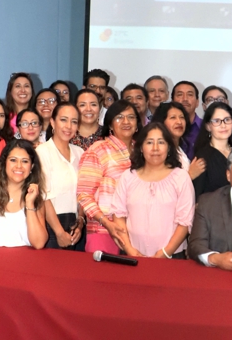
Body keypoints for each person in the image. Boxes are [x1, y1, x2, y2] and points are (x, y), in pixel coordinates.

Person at [106, 122, 195, 258]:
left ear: (169, 148)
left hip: (172, 257)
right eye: (149, 142)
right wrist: (129, 249)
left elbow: (185, 222)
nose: (155, 148)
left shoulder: (181, 177)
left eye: (161, 142)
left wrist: (166, 252)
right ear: (141, 147)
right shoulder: (127, 177)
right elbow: (118, 216)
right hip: (133, 255)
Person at [77, 99, 137, 254]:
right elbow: (84, 195)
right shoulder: (98, 150)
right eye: (119, 117)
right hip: (104, 230)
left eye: (131, 117)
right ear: (110, 124)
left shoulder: (143, 150)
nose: (126, 122)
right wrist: (106, 223)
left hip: (138, 231)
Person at [37, 102, 86, 250]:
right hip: (52, 225)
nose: (68, 126)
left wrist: (81, 221)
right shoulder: (42, 152)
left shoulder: (80, 153)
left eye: (74, 121)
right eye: (63, 120)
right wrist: (59, 232)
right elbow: (43, 196)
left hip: (76, 226)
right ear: (52, 122)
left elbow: (84, 192)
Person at [191, 100, 232, 198]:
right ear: (208, 126)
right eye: (216, 121)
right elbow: (197, 195)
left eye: (227, 120)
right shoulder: (202, 157)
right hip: (214, 210)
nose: (223, 125)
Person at [153, 102, 207, 179]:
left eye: (182, 117)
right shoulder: (158, 151)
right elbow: (163, 186)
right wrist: (190, 175)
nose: (179, 122)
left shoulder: (181, 147)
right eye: (173, 117)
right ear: (162, 122)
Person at [172, 81, 203, 156]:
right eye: (180, 95)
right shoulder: (164, 128)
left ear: (197, 102)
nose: (185, 99)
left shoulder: (207, 127)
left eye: (190, 95)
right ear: (172, 101)